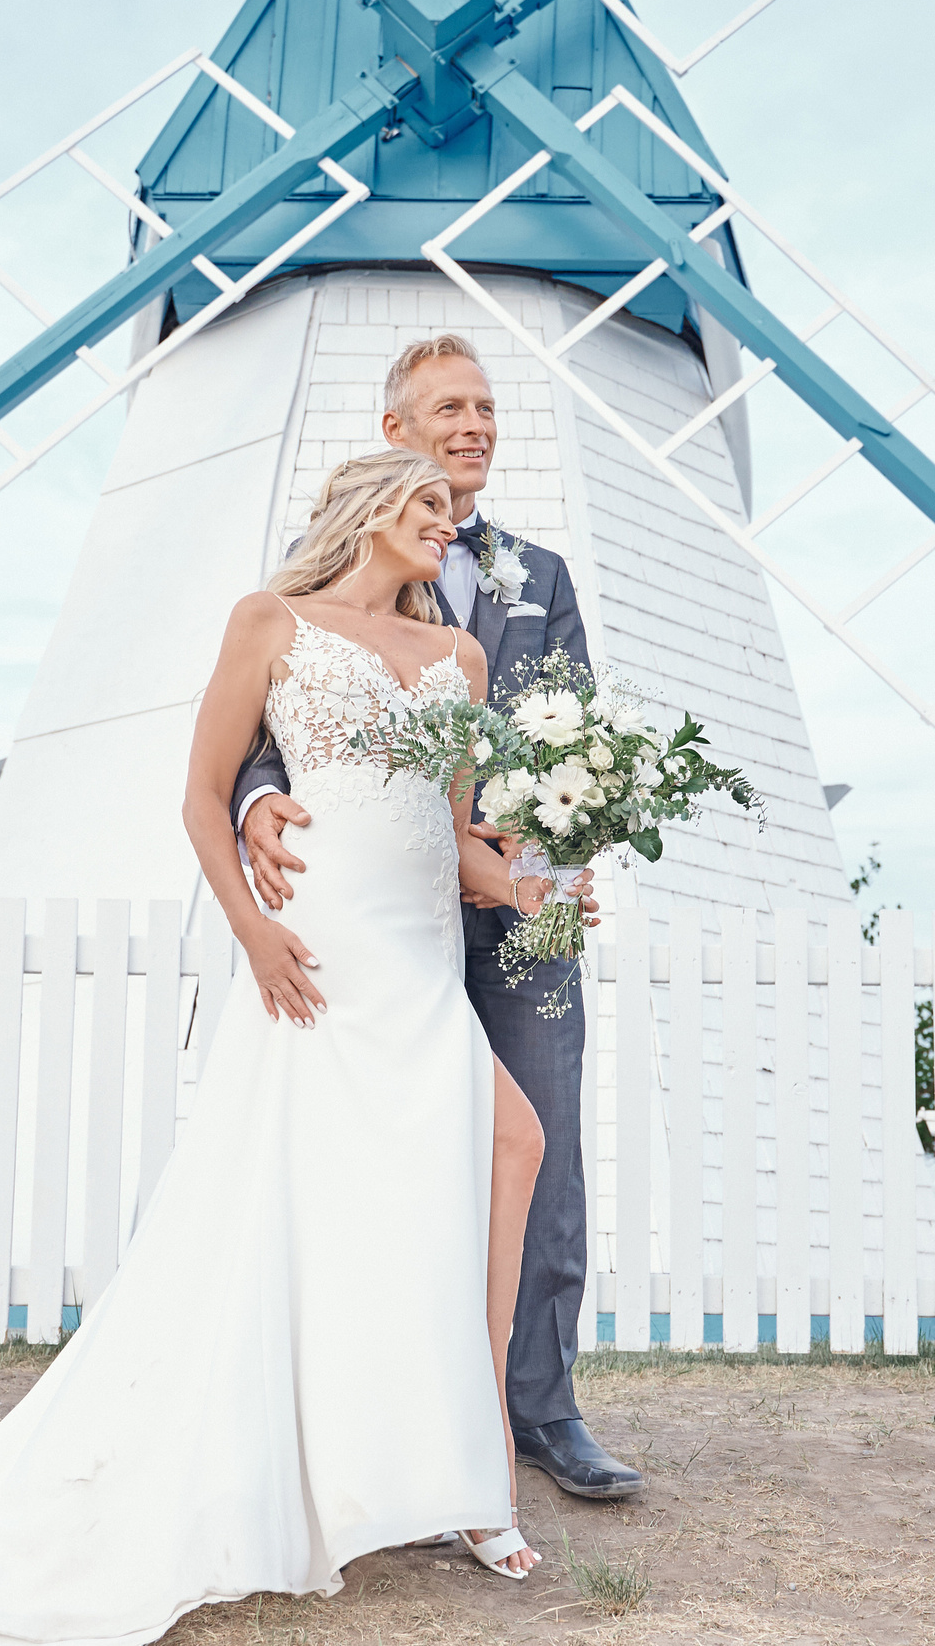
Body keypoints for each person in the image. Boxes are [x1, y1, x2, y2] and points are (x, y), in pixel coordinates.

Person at [0, 450, 555, 1643]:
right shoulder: (270, 619)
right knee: (310, 1203)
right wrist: (251, 931)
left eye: (450, 507)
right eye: (427, 503)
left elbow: (455, 839)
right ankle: (387, 1470)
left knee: (506, 1145)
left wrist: (539, 889)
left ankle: (465, 1456)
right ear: (368, 508)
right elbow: (200, 791)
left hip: (420, 955)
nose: (448, 522)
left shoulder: (462, 658)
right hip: (322, 946)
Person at [234, 333, 645, 1502]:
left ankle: (539, 1409)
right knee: (385, 1154)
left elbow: (579, 741)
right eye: (448, 408)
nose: (473, 424)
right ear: (395, 430)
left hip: (518, 911)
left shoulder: (541, 577)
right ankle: (387, 1409)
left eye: (486, 407)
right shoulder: (324, 580)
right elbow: (262, 738)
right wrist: (259, 801)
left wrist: (553, 868)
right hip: (379, 915)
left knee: (539, 1147)